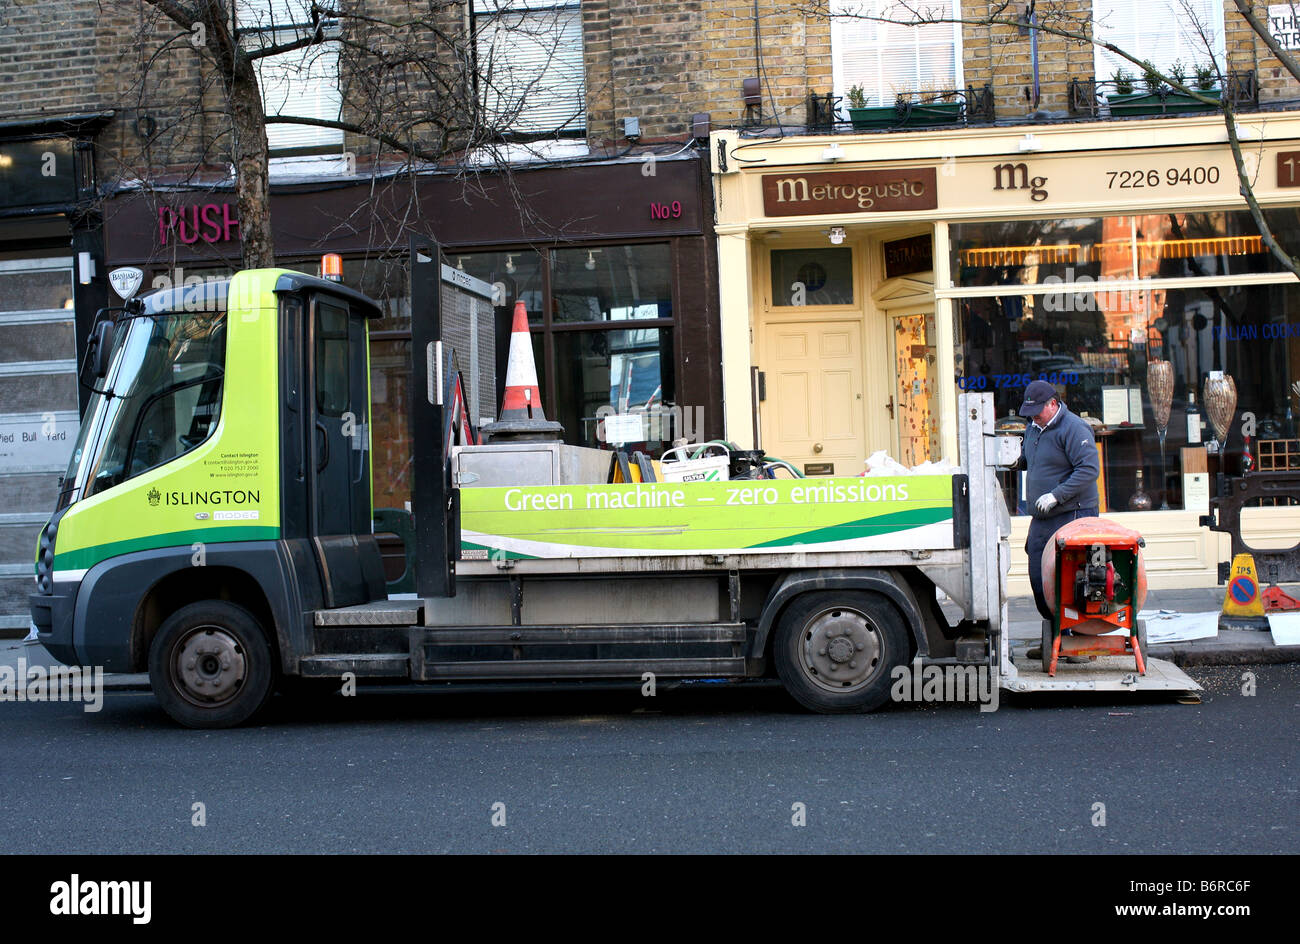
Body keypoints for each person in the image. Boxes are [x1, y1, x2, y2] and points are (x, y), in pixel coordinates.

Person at [1017, 380, 1100, 631]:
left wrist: (1056, 495)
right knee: (1039, 575)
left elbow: (1088, 469)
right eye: (1029, 413)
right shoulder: (1034, 428)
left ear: (1053, 404)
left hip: (1072, 512)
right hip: (1043, 515)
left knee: (1070, 577)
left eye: (1037, 412)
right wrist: (1012, 460)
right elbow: (1028, 461)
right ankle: (1056, 634)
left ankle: (1077, 636)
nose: (1033, 418)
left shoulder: (1074, 428)